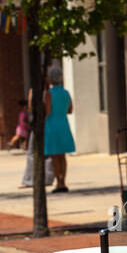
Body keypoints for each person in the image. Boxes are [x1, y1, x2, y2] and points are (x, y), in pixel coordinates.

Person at [43, 64, 75, 192]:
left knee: (55, 157)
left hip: (52, 126)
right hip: (64, 124)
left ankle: (59, 182)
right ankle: (63, 181)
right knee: (63, 156)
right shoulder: (66, 92)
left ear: (50, 78)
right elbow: (70, 110)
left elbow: (48, 111)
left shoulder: (48, 94)